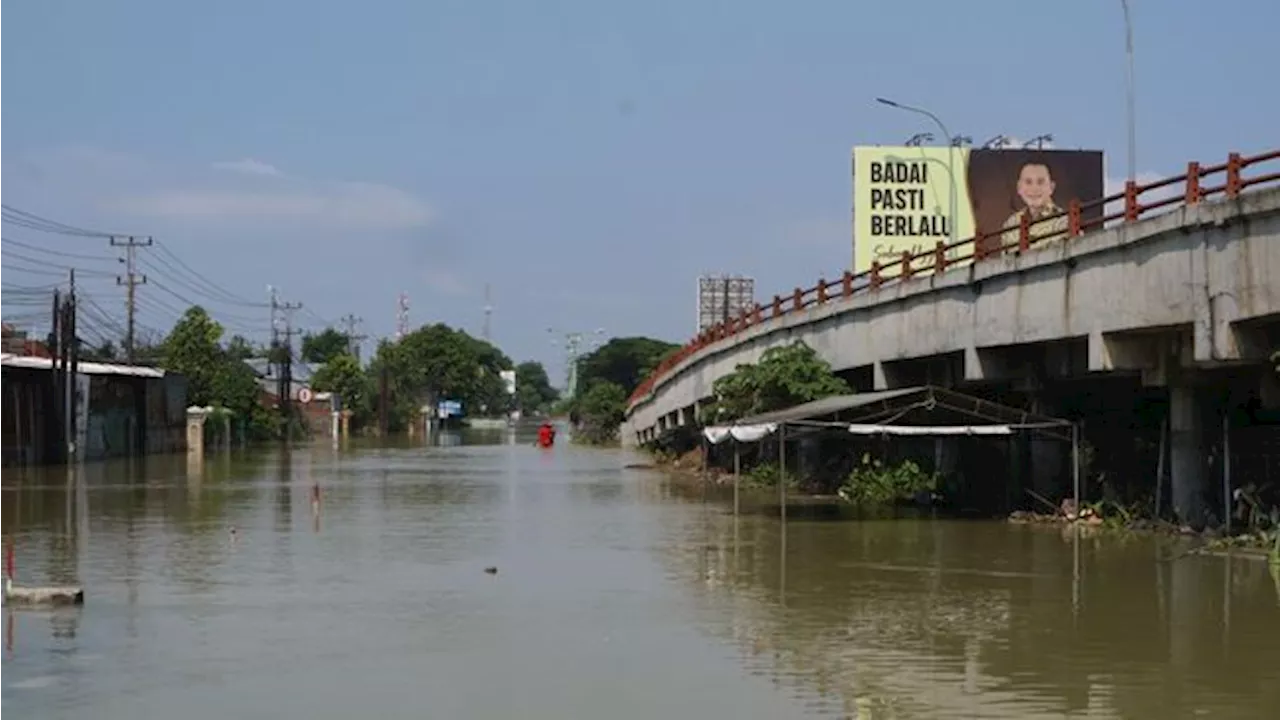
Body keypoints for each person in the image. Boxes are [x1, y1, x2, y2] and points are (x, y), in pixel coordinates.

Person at [999, 159, 1069, 250]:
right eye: (1028, 182)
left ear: (1051, 187)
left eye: (1040, 182)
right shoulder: (1010, 224)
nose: (1034, 189)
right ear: (1019, 188)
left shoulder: (1064, 221)